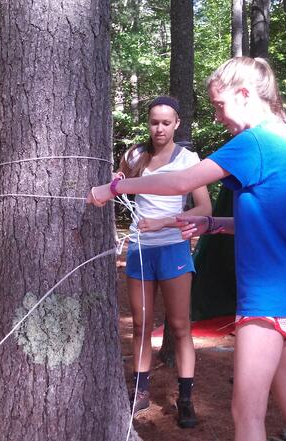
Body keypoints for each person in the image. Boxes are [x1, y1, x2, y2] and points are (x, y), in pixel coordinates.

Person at [88, 57, 286, 441]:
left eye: (220, 105)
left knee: (246, 414)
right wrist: (211, 224)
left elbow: (181, 183)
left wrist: (115, 187)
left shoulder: (254, 142)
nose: (217, 116)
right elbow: (271, 220)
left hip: (268, 301)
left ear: (244, 94)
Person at [117, 96, 211, 427]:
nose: (159, 128)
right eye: (154, 122)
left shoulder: (189, 160)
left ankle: (185, 399)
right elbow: (118, 183)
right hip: (140, 249)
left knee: (181, 325)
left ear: (177, 124)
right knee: (141, 324)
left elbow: (205, 209)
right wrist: (113, 182)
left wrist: (164, 223)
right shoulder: (135, 155)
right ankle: (140, 391)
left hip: (173, 248)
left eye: (166, 123)